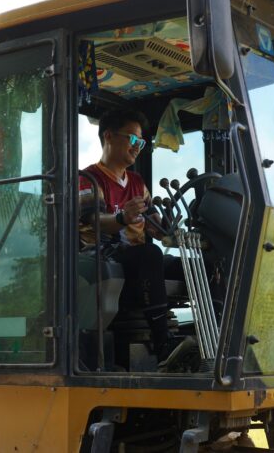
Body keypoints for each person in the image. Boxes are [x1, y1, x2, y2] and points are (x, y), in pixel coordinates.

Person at [79, 110, 174, 361]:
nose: (137, 148)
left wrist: (164, 226)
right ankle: (163, 343)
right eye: (133, 140)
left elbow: (153, 223)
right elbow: (94, 221)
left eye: (141, 143)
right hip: (103, 257)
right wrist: (122, 218)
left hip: (136, 258)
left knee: (193, 265)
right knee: (149, 254)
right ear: (109, 136)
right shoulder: (88, 178)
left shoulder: (136, 181)